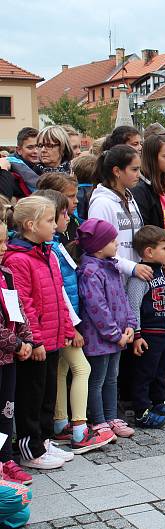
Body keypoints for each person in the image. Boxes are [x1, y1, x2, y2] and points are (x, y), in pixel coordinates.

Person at [33, 190, 111, 453]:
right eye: (62, 214)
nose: (65, 220)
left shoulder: (53, 248)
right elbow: (61, 293)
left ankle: (60, 422)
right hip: (64, 321)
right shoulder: (50, 251)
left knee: (63, 370)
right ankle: (80, 429)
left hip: (66, 318)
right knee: (82, 369)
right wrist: (72, 325)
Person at [5, 196, 75, 469]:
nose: (55, 224)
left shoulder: (47, 253)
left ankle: (43, 441)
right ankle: (30, 448)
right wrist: (33, 341)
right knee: (31, 396)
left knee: (48, 393)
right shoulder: (20, 259)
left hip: (53, 336)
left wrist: (66, 327)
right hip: (37, 341)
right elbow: (25, 305)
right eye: (49, 220)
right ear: (31, 225)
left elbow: (59, 295)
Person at [76, 218, 137, 439]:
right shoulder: (91, 272)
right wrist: (115, 334)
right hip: (101, 338)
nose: (117, 244)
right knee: (97, 380)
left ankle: (111, 417)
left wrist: (130, 325)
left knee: (112, 378)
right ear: (99, 246)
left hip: (118, 336)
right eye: (112, 241)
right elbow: (97, 308)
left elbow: (123, 299)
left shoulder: (111, 266)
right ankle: (99, 420)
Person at [127, 226, 165, 428]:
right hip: (148, 334)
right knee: (144, 373)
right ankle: (141, 411)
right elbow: (134, 305)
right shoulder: (141, 276)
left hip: (164, 332)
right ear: (149, 252)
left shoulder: (163, 271)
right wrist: (137, 334)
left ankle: (159, 402)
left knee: (160, 371)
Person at [0, 220, 35, 483]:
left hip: (10, 358)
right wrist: (16, 344)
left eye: (5, 241)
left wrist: (27, 341)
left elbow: (19, 310)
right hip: (6, 350)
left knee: (6, 411)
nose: (5, 247)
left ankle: (5, 459)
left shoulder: (6, 274)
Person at [88, 145, 148, 280]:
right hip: (114, 281)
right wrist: (130, 267)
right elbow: (100, 248)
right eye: (134, 169)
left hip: (135, 277)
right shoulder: (101, 203)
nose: (139, 175)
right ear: (117, 171)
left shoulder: (130, 198)